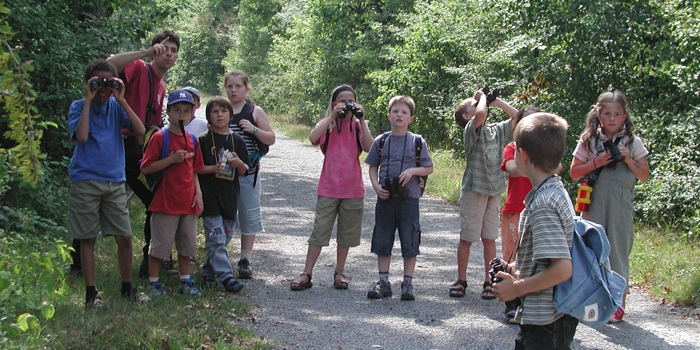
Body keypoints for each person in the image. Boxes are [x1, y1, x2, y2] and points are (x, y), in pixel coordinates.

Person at [491, 112, 578, 350]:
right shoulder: (553, 190)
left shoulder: (544, 205)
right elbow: (547, 258)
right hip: (545, 315)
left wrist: (516, 288)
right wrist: (515, 269)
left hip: (547, 319)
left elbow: (562, 268)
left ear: (523, 155)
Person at [67, 59, 147, 306]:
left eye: (108, 83)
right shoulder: (79, 106)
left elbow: (140, 129)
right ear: (88, 84)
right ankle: (91, 294)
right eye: (97, 83)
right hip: (85, 179)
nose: (103, 89)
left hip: (114, 180)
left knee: (124, 237)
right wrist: (89, 100)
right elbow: (81, 136)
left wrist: (122, 98)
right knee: (87, 239)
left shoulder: (116, 106)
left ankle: (126, 288)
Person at [569, 90, 650, 323]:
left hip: (620, 205)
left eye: (617, 114)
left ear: (624, 116)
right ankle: (591, 301)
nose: (612, 119)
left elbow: (644, 176)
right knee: (591, 251)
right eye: (607, 114)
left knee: (618, 252)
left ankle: (618, 304)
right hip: (593, 202)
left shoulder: (634, 142)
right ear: (599, 113)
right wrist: (596, 162)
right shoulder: (589, 140)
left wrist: (628, 158)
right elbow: (574, 173)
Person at [106, 30, 180, 278]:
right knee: (98, 200)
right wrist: (145, 53)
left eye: (173, 50)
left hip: (141, 151)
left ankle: (152, 262)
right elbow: (108, 65)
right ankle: (77, 263)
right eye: (164, 48)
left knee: (156, 199)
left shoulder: (161, 85)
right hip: (119, 146)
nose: (168, 53)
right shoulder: (138, 67)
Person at [289, 85, 373, 291]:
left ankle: (340, 272)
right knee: (319, 232)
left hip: (352, 189)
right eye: (342, 101)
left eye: (350, 101)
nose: (346, 104)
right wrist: (331, 117)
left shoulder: (357, 128)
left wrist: (361, 119)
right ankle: (307, 272)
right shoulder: (327, 126)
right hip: (328, 188)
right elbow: (312, 138)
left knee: (346, 234)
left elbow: (370, 148)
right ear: (334, 104)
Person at [449, 88, 517, 300]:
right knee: (468, 237)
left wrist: (497, 102)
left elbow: (520, 118)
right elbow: (480, 115)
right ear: (466, 116)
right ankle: (461, 279)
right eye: (474, 103)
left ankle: (489, 280)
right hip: (474, 190)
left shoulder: (496, 131)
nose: (480, 103)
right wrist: (482, 98)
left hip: (493, 190)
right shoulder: (471, 130)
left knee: (489, 238)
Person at [364, 95, 433, 301]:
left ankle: (407, 283)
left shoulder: (417, 142)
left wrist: (412, 171)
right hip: (385, 198)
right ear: (389, 115)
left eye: (404, 112)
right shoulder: (381, 140)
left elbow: (429, 168)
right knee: (383, 240)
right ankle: (383, 282)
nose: (399, 115)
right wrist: (376, 186)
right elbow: (372, 167)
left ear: (411, 118)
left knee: (410, 241)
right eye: (395, 111)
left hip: (409, 199)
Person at [140, 90, 204, 298]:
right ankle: (154, 282)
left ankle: (185, 280)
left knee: (187, 245)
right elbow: (146, 168)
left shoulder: (193, 140)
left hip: (187, 201)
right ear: (168, 112)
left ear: (192, 113)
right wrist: (171, 159)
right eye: (177, 110)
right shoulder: (160, 137)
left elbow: (194, 169)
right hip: (165, 201)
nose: (181, 115)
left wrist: (198, 194)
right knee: (160, 245)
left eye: (186, 111)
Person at [224, 70, 276, 279]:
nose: (234, 90)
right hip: (224, 175)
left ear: (246, 88)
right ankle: (219, 255)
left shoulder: (254, 111)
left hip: (248, 174)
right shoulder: (222, 109)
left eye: (238, 86)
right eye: (230, 86)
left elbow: (270, 139)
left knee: (248, 214)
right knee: (224, 215)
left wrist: (254, 130)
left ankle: (245, 258)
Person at [197, 96, 250, 293]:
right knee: (216, 236)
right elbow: (196, 168)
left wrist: (236, 164)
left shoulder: (237, 140)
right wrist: (212, 169)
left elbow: (246, 169)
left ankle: (208, 271)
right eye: (215, 111)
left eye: (224, 111)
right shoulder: (202, 140)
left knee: (225, 236)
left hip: (230, 195)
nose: (220, 115)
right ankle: (227, 277)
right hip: (209, 194)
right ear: (209, 116)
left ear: (230, 115)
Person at [500, 105, 541, 323]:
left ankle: (531, 303)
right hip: (514, 209)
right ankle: (512, 303)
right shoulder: (511, 148)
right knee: (510, 257)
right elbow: (511, 168)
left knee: (534, 257)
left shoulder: (545, 152)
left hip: (538, 210)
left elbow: (558, 167)